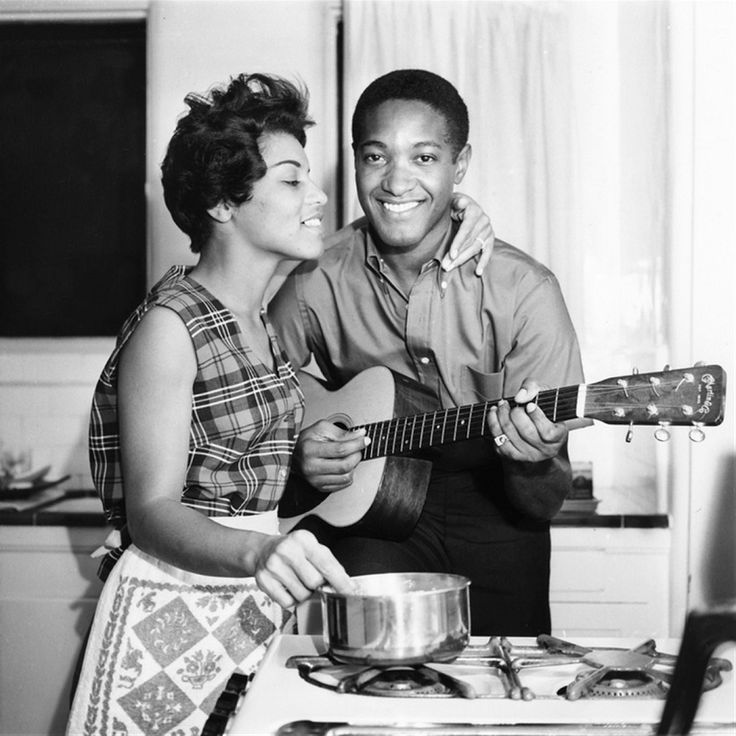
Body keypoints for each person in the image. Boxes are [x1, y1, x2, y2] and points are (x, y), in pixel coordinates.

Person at [68, 72, 493, 735]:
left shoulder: (259, 320)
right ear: (222, 203)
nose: (320, 196)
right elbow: (152, 514)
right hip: (168, 617)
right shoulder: (169, 328)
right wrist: (260, 556)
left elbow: (394, 229)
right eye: (292, 180)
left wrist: (461, 209)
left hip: (247, 606)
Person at [269, 69, 586, 637]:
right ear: (355, 160)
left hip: (498, 511)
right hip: (372, 507)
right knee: (368, 686)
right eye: (375, 156)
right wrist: (300, 452)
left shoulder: (526, 290)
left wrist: (533, 456)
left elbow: (543, 502)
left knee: (502, 695)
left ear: (459, 166)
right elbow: (253, 401)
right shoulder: (316, 275)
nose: (395, 182)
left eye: (423, 158)